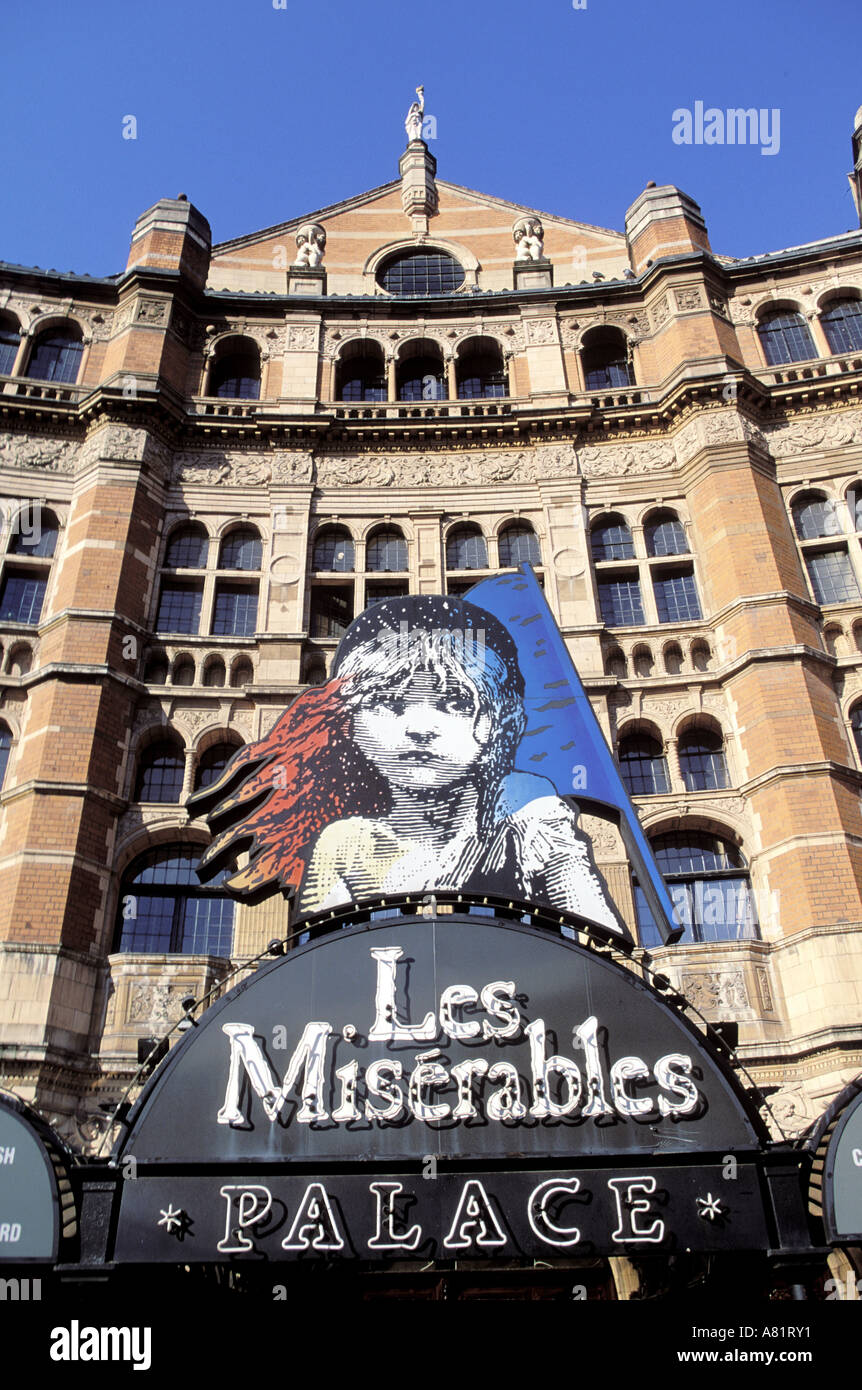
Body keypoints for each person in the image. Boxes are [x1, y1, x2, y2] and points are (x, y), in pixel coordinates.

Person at [189, 595, 622, 935]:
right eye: (389, 702)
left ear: (495, 721)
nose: (420, 727)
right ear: (351, 721)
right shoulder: (343, 842)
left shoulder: (530, 811)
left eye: (453, 702)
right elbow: (323, 960)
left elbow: (594, 933)